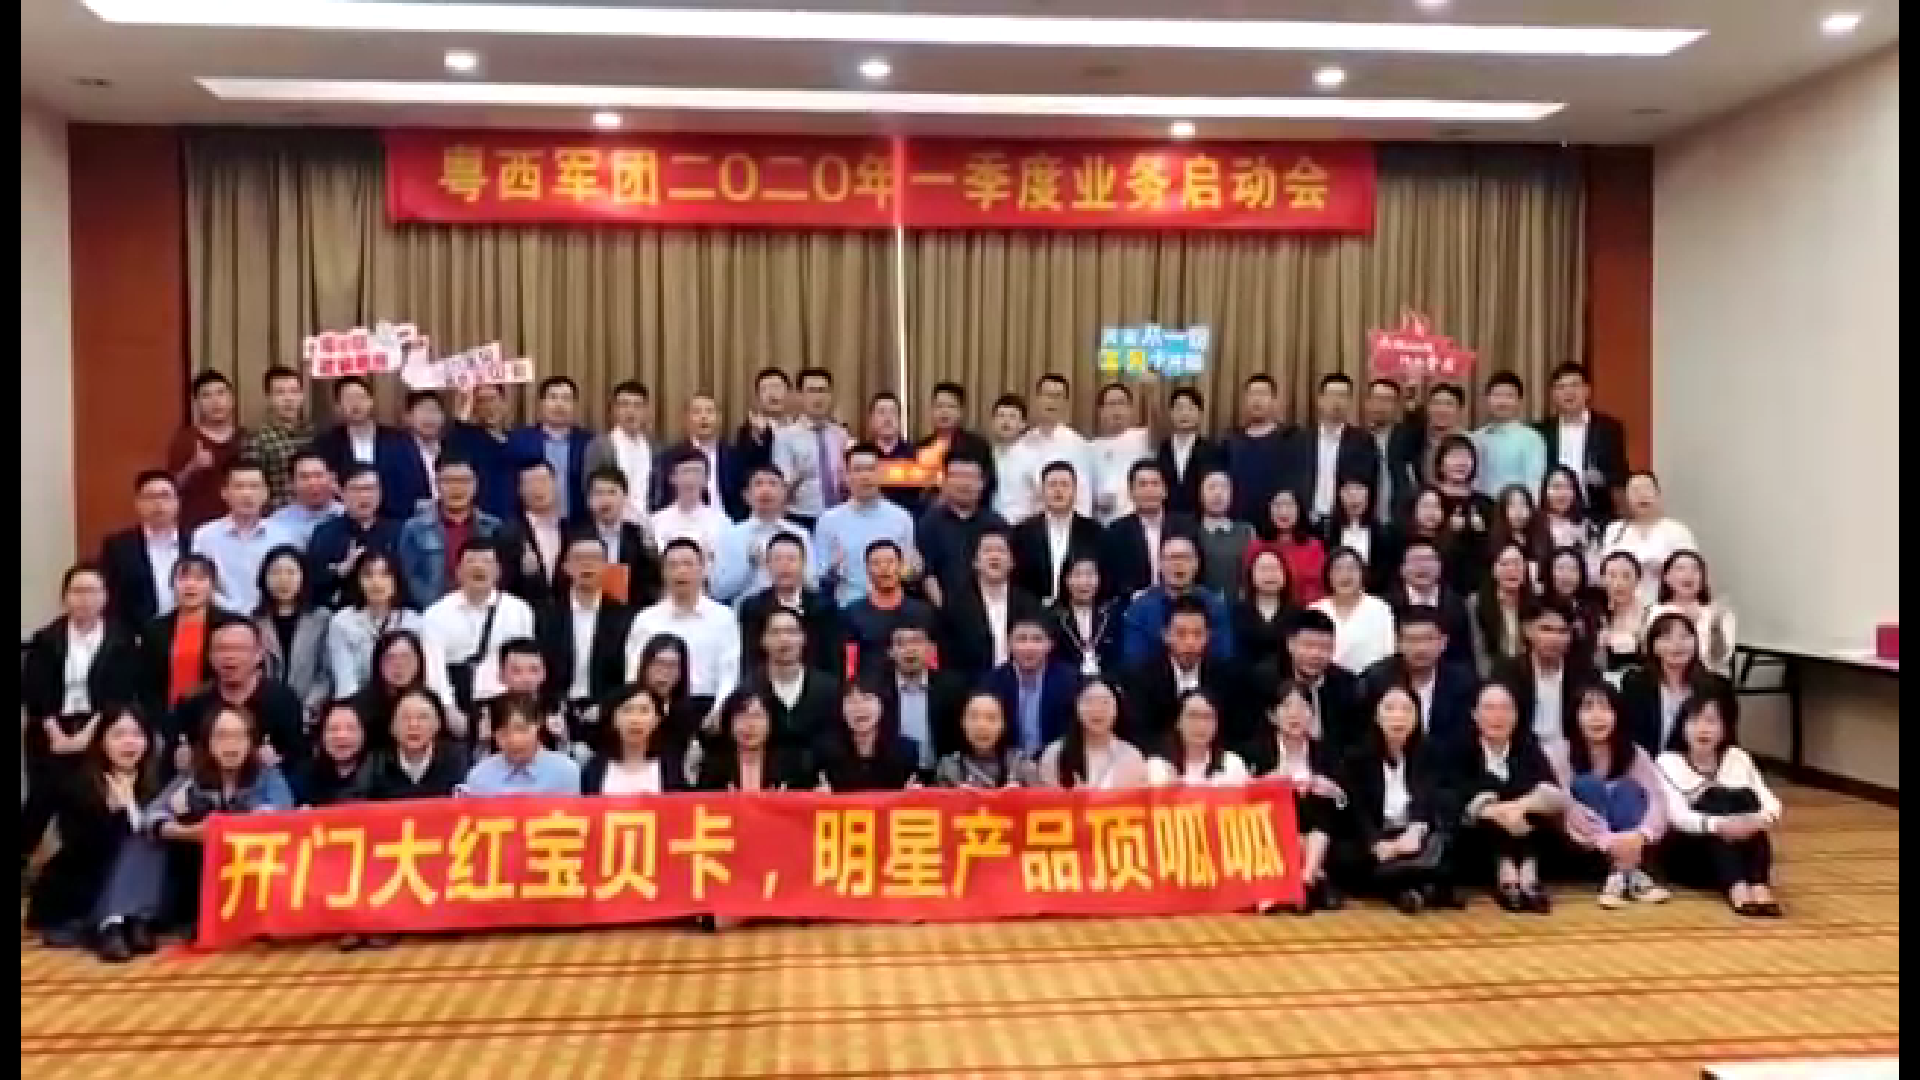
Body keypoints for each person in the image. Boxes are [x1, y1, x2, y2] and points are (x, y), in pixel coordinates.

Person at [21, 566, 138, 893]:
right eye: (77, 591)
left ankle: (87, 868)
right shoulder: (46, 639)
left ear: (105, 597)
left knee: (91, 795)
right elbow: (34, 692)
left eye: (92, 591)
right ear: (65, 598)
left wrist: (88, 736)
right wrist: (56, 734)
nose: (85, 599)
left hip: (101, 725)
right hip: (51, 727)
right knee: (42, 797)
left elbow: (121, 693)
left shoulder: (122, 640)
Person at [27, 707, 161, 957]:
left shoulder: (158, 783)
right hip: (84, 886)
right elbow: (82, 850)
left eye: (137, 734)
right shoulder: (79, 785)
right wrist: (115, 815)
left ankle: (133, 918)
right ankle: (111, 922)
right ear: (101, 742)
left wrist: (133, 810)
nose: (129, 742)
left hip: (139, 886)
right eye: (118, 735)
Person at [149, 705, 294, 936]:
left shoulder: (267, 774)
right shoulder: (192, 777)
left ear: (251, 742)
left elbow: (284, 809)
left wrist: (256, 819)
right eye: (222, 736)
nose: (231, 744)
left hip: (255, 877)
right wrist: (188, 832)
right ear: (208, 742)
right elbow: (151, 816)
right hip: (200, 878)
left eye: (239, 736)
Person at [1656, 693, 1783, 916]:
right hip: (1690, 855)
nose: (1702, 729)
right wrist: (1721, 825)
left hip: (1742, 846)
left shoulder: (1737, 757)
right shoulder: (1668, 762)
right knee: (1714, 799)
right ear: (1682, 727)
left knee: (1744, 799)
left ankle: (1758, 885)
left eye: (1711, 721)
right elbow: (1678, 817)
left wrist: (1758, 821)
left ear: (1725, 728)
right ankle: (1737, 887)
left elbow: (1769, 801)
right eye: (1694, 721)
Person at [1332, 684, 1453, 915]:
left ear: (1417, 717)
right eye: (1389, 708)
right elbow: (1357, 812)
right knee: (1346, 857)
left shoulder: (1430, 753)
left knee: (1445, 848)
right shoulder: (1356, 758)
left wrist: (1416, 831)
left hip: (1413, 836)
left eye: (1407, 709)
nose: (1398, 716)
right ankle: (1416, 887)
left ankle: (1403, 887)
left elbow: (1432, 800)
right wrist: (1378, 844)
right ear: (1376, 716)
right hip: (1377, 840)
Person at [1443, 681, 1562, 913]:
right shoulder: (1458, 748)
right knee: (1492, 796)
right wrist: (1494, 811)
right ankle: (1507, 872)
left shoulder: (1528, 745)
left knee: (1531, 804)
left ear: (1516, 715)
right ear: (1475, 714)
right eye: (1489, 708)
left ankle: (1527, 872)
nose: (1497, 716)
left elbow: (1553, 792)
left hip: (1526, 832)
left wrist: (1518, 807)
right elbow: (1454, 797)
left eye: (1505, 708)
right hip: (1476, 840)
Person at [1550, 682, 1671, 909]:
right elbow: (1567, 808)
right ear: (1574, 715)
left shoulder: (1634, 753)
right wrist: (1608, 841)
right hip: (1585, 847)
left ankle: (1623, 875)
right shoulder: (1559, 753)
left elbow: (1658, 801)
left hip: (1633, 845)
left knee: (1628, 788)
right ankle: (1625, 873)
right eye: (1588, 708)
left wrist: (1641, 836)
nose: (1597, 716)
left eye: (1605, 708)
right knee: (1587, 785)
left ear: (1617, 715)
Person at [420, 536, 538, 738]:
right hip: (456, 701)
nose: (479, 567)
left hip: (506, 703)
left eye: (486, 561)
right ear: (457, 571)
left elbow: (526, 665)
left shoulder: (519, 610)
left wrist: (515, 712)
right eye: (471, 561)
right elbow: (434, 669)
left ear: (498, 571)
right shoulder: (435, 613)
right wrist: (449, 711)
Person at [1244, 679, 1345, 913]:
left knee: (1321, 803)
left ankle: (1305, 881)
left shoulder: (1326, 752)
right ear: (1272, 716)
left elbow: (1344, 800)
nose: (1295, 714)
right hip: (1272, 831)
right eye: (1287, 706)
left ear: (1312, 715)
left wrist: (1332, 790)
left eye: (1302, 707)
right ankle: (1308, 881)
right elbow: (1243, 795)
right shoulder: (1256, 751)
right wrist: (1271, 781)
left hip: (1317, 831)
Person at [625, 538, 739, 731]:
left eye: (688, 564)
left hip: (706, 707)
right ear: (663, 572)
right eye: (673, 565)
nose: (681, 571)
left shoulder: (723, 617)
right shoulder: (646, 618)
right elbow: (633, 670)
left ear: (703, 570)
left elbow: (729, 671)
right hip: (656, 708)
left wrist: (719, 710)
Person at [166, 619, 309, 768]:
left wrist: (277, 762)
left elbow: (299, 758)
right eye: (221, 649)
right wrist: (180, 759)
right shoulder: (192, 701)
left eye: (239, 649)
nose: (229, 656)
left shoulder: (282, 700)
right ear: (209, 656)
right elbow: (170, 755)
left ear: (259, 654)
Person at [536, 535, 635, 749]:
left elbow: (628, 674)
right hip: (555, 713)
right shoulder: (545, 615)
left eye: (595, 558)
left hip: (606, 713)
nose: (587, 564)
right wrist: (549, 709)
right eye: (580, 558)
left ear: (606, 566)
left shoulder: (625, 617)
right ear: (566, 567)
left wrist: (607, 707)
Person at [1120, 595, 1245, 749]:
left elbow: (1236, 732)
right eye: (1181, 634)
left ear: (1208, 636)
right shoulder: (1141, 677)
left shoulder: (1228, 676)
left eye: (1197, 634)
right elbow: (1140, 733)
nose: (1190, 642)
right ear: (1165, 635)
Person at [136, 554, 246, 723]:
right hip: (165, 717)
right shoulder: (154, 629)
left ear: (213, 586)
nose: (190, 585)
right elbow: (146, 682)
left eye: (200, 579)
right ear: (172, 585)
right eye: (183, 578)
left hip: (219, 717)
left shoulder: (232, 624)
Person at [1357, 605, 1477, 751]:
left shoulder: (1463, 682)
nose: (1420, 648)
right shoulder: (1376, 680)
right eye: (1412, 640)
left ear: (1443, 642)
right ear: (1398, 643)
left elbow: (1464, 737)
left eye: (1428, 639)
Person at [1492, 598, 1598, 759]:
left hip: (1573, 755)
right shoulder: (1508, 672)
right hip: (1522, 755)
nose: (1555, 639)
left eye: (1562, 631)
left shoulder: (1585, 673)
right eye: (1546, 629)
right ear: (1527, 630)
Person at [397, 454, 508, 606]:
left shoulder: (493, 526)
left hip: (484, 607)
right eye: (448, 481)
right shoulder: (415, 528)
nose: (456, 488)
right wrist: (438, 608)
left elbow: (501, 575)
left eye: (464, 481)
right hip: (433, 610)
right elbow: (409, 576)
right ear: (436, 484)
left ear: (476, 484)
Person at [815, 443, 918, 607]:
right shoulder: (828, 520)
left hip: (891, 605)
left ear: (882, 473)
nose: (865, 476)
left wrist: (913, 571)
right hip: (847, 605)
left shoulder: (902, 517)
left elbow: (907, 572)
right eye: (858, 470)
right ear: (846, 476)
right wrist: (833, 570)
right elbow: (819, 576)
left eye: (871, 469)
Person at [1620, 611, 1737, 755]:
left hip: (1695, 764)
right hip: (1645, 763)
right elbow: (1628, 737)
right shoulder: (1636, 684)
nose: (1677, 644)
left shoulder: (1718, 687)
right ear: (1653, 646)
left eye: (1685, 636)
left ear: (1696, 643)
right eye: (1666, 638)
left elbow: (1727, 739)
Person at [938, 528, 1041, 685]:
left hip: (1022, 685)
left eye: (1001, 551)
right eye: (987, 551)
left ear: (1012, 562)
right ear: (975, 562)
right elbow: (949, 660)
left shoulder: (1029, 604)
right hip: (971, 687)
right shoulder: (955, 605)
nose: (994, 556)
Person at [193, 459, 297, 613]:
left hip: (271, 618)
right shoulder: (205, 536)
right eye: (239, 486)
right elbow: (198, 581)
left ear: (266, 493)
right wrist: (232, 611)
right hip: (221, 617)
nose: (247, 494)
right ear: (224, 493)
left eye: (254, 486)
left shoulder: (284, 536)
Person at [736, 531, 844, 676]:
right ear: (767, 565)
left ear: (803, 563)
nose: (784, 566)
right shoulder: (752, 607)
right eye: (777, 559)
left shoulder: (824, 607)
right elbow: (749, 660)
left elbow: (832, 660)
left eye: (791, 559)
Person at [1118, 533, 1233, 666]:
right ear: (1160, 565)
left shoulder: (1214, 605)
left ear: (1197, 564)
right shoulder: (1139, 609)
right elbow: (1134, 661)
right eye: (1172, 558)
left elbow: (1223, 657)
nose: (1178, 564)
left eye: (1185, 558)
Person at [1538, 361, 1630, 525]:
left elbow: (1620, 475)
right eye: (1561, 387)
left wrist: (1602, 478)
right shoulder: (1542, 431)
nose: (1568, 392)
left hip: (1598, 514)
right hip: (1554, 517)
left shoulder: (1609, 428)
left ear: (1587, 390)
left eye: (1575, 385)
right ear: (1553, 394)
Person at [1285, 373, 1382, 527]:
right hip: (1304, 522)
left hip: (1344, 522)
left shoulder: (1363, 441)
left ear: (1350, 401)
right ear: (1320, 400)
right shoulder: (1298, 439)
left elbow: (1368, 485)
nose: (1336, 401)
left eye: (1342, 396)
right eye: (1331, 395)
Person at [913, 449, 1005, 609]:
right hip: (943, 610)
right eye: (957, 476)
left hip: (990, 609)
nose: (964, 483)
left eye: (971, 477)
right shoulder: (929, 523)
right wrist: (947, 611)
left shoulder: (997, 524)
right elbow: (927, 575)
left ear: (982, 483)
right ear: (945, 481)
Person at [326, 551, 425, 701]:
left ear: (396, 580)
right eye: (368, 575)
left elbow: (420, 675)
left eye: (385, 574)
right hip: (359, 701)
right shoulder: (342, 622)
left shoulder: (413, 621)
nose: (376, 582)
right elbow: (345, 682)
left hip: (405, 701)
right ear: (357, 581)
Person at [710, 464, 815, 603]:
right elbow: (718, 591)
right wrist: (750, 566)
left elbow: (812, 584)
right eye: (758, 484)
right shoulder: (731, 536)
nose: (766, 490)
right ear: (746, 495)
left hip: (793, 609)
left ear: (784, 493)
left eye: (773, 484)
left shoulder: (800, 534)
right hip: (747, 611)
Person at [983, 616, 1082, 758]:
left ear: (1050, 644)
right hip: (1006, 763)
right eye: (1021, 639)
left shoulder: (1070, 680)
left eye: (1037, 639)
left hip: (1058, 760)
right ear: (1008, 644)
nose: (1029, 647)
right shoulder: (992, 682)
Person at [99, 470, 186, 631]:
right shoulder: (119, 547)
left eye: (165, 496)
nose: (158, 503)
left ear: (178, 502)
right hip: (137, 634)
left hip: (188, 631)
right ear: (137, 503)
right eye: (150, 497)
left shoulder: (194, 541)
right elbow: (110, 597)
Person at [252, 544, 332, 719]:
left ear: (303, 577)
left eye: (291, 572)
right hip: (262, 712)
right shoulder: (253, 621)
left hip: (309, 711)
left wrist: (306, 708)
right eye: (275, 573)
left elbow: (325, 673)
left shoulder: (322, 619)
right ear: (264, 578)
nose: (283, 580)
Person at [1100, 460, 1199, 601]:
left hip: (1182, 603)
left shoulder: (1186, 526)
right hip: (1133, 605)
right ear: (1131, 492)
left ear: (1165, 491)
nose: (1149, 490)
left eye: (1155, 483)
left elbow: (1197, 570)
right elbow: (1112, 580)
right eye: (1142, 484)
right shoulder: (1116, 531)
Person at [747, 606, 841, 751]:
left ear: (803, 638)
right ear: (763, 640)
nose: (784, 639)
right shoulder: (749, 690)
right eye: (775, 632)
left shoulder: (829, 689)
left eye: (791, 631)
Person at [307, 465, 400, 609]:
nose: (364, 496)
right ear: (341, 493)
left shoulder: (398, 531)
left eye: (370, 488)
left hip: (391, 610)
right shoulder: (325, 533)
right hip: (340, 612)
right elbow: (311, 582)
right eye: (356, 489)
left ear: (380, 492)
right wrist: (340, 571)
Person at [1008, 460, 1102, 603]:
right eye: (1052, 485)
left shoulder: (1094, 531)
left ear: (1075, 490)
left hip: (1080, 609)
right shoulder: (1022, 532)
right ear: (1042, 491)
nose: (1058, 491)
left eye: (1064, 485)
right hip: (1033, 609)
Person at [1599, 471, 1698, 606]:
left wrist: (1664, 568)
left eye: (1647, 489)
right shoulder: (1615, 530)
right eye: (1635, 490)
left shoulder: (1678, 530)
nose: (1642, 495)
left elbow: (1693, 572)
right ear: (1627, 498)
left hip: (1667, 606)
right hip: (1623, 606)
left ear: (1658, 495)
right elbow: (1605, 569)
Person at [166, 370, 247, 534]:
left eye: (221, 393)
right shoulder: (186, 439)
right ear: (196, 403)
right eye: (206, 396)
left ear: (232, 399)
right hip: (198, 527)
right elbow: (170, 487)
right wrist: (193, 467)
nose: (215, 401)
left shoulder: (246, 438)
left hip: (241, 526)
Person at [878, 619, 968, 766]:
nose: (909, 649)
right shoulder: (878, 691)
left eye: (916, 641)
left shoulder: (952, 688)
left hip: (942, 773)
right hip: (893, 775)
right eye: (901, 643)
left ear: (931, 649)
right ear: (890, 652)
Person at [840, 539, 935, 678]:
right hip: (870, 686)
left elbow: (932, 658)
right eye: (876, 563)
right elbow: (850, 662)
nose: (884, 568)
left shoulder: (923, 611)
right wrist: (852, 686)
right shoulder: (853, 613)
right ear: (867, 570)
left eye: (890, 562)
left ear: (901, 565)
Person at [772, 367, 853, 527]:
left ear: (830, 395)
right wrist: (800, 474)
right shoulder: (784, 437)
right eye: (811, 391)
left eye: (822, 391)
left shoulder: (841, 434)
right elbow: (781, 488)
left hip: (839, 515)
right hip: (801, 517)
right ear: (800, 396)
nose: (818, 397)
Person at [504, 375, 595, 520]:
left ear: (575, 405)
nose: (559, 404)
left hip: (577, 523)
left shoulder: (589, 443)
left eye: (566, 399)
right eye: (553, 397)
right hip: (529, 523)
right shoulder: (519, 440)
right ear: (541, 403)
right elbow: (509, 484)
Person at [1382, 535, 1476, 674]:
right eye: (1415, 561)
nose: (1422, 566)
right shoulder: (1386, 605)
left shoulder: (1456, 603)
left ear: (1440, 567)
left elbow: (1464, 653)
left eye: (1428, 560)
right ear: (1402, 569)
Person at [572, 466, 661, 607]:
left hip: (632, 612)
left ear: (625, 498)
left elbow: (651, 582)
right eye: (599, 493)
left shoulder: (638, 535)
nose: (605, 500)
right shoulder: (575, 537)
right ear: (589, 500)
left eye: (612, 492)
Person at [582, 684, 695, 795]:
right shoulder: (593, 769)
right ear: (613, 719)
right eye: (627, 710)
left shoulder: (673, 768)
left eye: (644, 710)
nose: (635, 720)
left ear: (657, 719)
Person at [462, 693, 583, 796]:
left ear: (538, 724)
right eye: (504, 733)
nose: (515, 740)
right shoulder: (479, 776)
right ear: (493, 734)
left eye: (522, 729)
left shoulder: (566, 771)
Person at [362, 686, 469, 801]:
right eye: (405, 717)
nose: (413, 725)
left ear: (438, 724)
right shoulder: (376, 762)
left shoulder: (455, 758)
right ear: (392, 727)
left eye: (423, 717)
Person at [1037, 679, 1147, 789]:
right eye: (1089, 702)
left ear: (1117, 709)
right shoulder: (1054, 754)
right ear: (1075, 707)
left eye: (1105, 702)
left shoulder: (1132, 756)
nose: (1097, 709)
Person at [695, 690, 814, 792]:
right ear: (729, 722)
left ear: (771, 721)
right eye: (740, 716)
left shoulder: (791, 764)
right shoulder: (714, 763)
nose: (749, 725)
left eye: (757, 716)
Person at [652, 393, 746, 520]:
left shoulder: (735, 456)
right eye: (697, 412)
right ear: (686, 419)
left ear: (719, 418)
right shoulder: (669, 457)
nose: (704, 417)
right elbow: (662, 499)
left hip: (728, 523)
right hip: (683, 524)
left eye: (709, 411)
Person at [815, 681, 922, 791]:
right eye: (852, 701)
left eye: (867, 698)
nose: (859, 707)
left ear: (882, 704)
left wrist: (912, 794)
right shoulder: (825, 750)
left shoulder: (906, 750)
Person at [1281, 609, 1365, 748]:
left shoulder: (1347, 684)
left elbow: (1353, 739)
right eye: (1308, 646)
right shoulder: (1269, 681)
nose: (1316, 654)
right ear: (1290, 644)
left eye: (1325, 647)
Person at [1017, 373, 1095, 519]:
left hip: (1065, 523)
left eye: (1058, 396)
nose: (1052, 401)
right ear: (1037, 399)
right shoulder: (1023, 441)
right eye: (1047, 395)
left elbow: (1084, 494)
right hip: (1029, 523)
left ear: (1065, 403)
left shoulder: (1077, 444)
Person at [1647, 550, 1737, 675]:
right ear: (1666, 577)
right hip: (1664, 678)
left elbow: (1719, 660)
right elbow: (1649, 654)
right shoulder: (1654, 612)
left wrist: (1715, 627)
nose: (1688, 574)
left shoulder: (1719, 613)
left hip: (1708, 678)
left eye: (1695, 569)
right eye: (1680, 568)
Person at [351, 630, 439, 753]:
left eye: (405, 657)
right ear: (378, 663)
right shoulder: (358, 707)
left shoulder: (430, 700)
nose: (399, 664)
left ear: (419, 661)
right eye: (390, 658)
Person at [1311, 547, 1396, 675]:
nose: (1345, 575)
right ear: (1328, 576)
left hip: (1371, 680)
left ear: (1362, 574)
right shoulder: (1315, 609)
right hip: (1326, 681)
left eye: (1351, 568)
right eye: (1338, 569)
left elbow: (1388, 653)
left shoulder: (1380, 608)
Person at [446, 383, 526, 521]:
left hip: (515, 519)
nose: (489, 406)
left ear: (504, 403)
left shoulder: (518, 440)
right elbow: (454, 439)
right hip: (483, 520)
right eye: (481, 401)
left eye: (492, 399)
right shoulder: (468, 438)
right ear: (475, 408)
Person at [581, 380, 656, 526]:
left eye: (637, 405)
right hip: (610, 524)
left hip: (648, 523)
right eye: (624, 405)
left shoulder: (655, 447)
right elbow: (589, 490)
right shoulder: (600, 446)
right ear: (614, 410)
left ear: (646, 411)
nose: (630, 411)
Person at [914, 381, 996, 511]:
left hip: (968, 514)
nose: (944, 411)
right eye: (939, 406)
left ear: (961, 411)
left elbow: (989, 483)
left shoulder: (977, 446)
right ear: (932, 410)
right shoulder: (921, 447)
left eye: (951, 406)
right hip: (929, 515)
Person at [240, 364, 312, 510]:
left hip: (315, 514)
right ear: (269, 398)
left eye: (294, 392)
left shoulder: (313, 433)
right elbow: (251, 487)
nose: (288, 399)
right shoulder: (258, 439)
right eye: (280, 393)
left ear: (301, 396)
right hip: (277, 516)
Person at [650, 446, 734, 571]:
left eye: (697, 472)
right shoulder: (656, 521)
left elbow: (725, 567)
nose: (691, 478)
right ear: (672, 478)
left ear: (706, 480)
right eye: (686, 471)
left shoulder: (722, 522)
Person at [1223, 373, 1292, 526]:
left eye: (1263, 394)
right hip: (1237, 525)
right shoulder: (1231, 440)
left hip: (1277, 524)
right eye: (1252, 394)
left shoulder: (1290, 438)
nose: (1257, 400)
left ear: (1274, 400)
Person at [1145, 690, 1251, 786]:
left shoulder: (1232, 763)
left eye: (1208, 717)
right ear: (1177, 722)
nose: (1201, 725)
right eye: (1193, 716)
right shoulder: (1159, 765)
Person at [501, 459, 570, 607]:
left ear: (555, 485)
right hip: (524, 613)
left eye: (543, 481)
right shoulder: (508, 534)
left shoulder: (572, 531)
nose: (538, 488)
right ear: (520, 491)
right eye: (530, 483)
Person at [1432, 435, 1495, 595]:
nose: (1461, 463)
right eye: (1454, 456)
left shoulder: (1486, 504)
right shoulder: (1428, 499)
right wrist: (1448, 531)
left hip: (1478, 589)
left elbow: (1495, 552)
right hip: (1437, 587)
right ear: (1440, 463)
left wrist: (1481, 532)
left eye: (1466, 457)